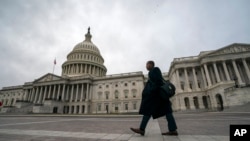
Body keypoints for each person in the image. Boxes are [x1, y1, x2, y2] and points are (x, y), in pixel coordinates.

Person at [130, 60, 178, 136]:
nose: (146, 66)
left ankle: (142, 129)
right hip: (157, 97)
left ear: (150, 65)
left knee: (151, 111)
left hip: (158, 96)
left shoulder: (155, 70)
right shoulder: (151, 72)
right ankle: (172, 130)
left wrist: (151, 91)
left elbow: (158, 81)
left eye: (147, 64)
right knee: (164, 112)